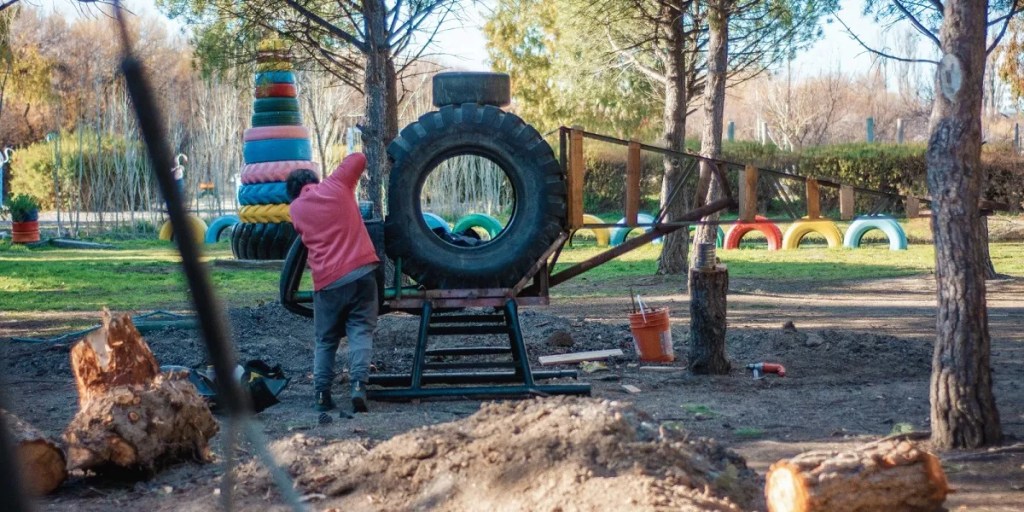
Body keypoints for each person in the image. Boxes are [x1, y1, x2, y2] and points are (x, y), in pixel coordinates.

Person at [287, 153, 379, 413]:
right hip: (362, 273)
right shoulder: (337, 184)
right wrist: (335, 177)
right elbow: (359, 157)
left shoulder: (295, 209)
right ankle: (358, 386)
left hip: (327, 283)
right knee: (360, 331)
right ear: (315, 180)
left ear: (292, 193)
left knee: (326, 340)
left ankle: (321, 395)